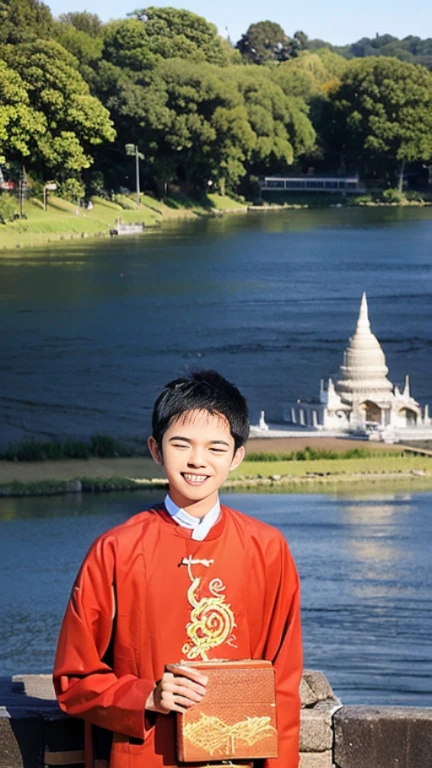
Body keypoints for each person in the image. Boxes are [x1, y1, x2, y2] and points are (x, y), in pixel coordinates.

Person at [53, 370, 302, 768]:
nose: (197, 461)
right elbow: (74, 679)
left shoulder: (268, 549)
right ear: (156, 448)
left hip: (242, 757)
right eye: (181, 444)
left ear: (237, 456)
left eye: (216, 448)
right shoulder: (115, 550)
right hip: (145, 756)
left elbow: (284, 684)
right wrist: (147, 696)